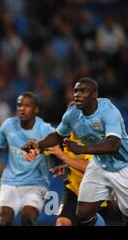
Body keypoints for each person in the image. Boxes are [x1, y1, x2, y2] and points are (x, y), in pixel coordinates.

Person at [23, 77, 128, 226]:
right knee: (82, 213)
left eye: (83, 91)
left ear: (94, 95)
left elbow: (114, 145)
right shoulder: (72, 114)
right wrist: (38, 146)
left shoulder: (109, 111)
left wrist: (82, 149)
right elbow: (58, 136)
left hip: (123, 165)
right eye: (76, 91)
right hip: (99, 165)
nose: (77, 94)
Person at [0, 92, 55, 226]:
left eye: (27, 106)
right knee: (3, 220)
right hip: (10, 183)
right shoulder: (8, 125)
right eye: (19, 105)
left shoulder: (45, 129)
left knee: (28, 218)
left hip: (36, 184)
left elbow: (61, 143)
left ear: (36, 109)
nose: (22, 108)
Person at [47, 132, 108, 226]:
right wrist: (68, 167)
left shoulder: (95, 140)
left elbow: (91, 168)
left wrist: (63, 156)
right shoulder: (64, 139)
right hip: (73, 191)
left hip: (94, 195)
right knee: (62, 223)